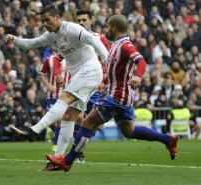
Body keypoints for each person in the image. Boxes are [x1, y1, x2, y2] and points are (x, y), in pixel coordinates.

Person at [46, 15, 179, 172]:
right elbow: (117, 72)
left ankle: (67, 161)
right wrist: (105, 82)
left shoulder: (125, 45)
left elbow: (141, 61)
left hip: (118, 97)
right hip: (122, 95)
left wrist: (137, 76)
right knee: (128, 131)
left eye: (108, 27)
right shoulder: (116, 45)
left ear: (114, 28)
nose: (107, 30)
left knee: (87, 123)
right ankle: (167, 139)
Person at [6, 5, 108, 144]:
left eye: (48, 20)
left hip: (90, 71)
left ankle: (34, 131)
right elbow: (31, 43)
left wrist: (108, 62)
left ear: (57, 18)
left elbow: (94, 41)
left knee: (64, 98)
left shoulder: (72, 28)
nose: (45, 24)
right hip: (80, 74)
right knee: (69, 117)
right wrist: (15, 40)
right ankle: (60, 157)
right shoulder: (51, 35)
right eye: (43, 21)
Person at [41, 10, 110, 170]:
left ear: (91, 21)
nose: (81, 23)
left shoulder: (100, 38)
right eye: (78, 20)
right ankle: (71, 155)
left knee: (88, 123)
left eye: (84, 20)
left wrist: (105, 81)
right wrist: (57, 74)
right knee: (77, 118)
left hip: (96, 82)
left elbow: (108, 59)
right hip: (81, 82)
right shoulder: (72, 35)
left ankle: (71, 154)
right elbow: (57, 58)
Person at [38, 48, 69, 152]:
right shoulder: (49, 59)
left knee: (60, 119)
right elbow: (41, 74)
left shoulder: (71, 59)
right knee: (53, 119)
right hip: (52, 95)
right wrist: (48, 85)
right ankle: (51, 129)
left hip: (65, 95)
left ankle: (55, 144)